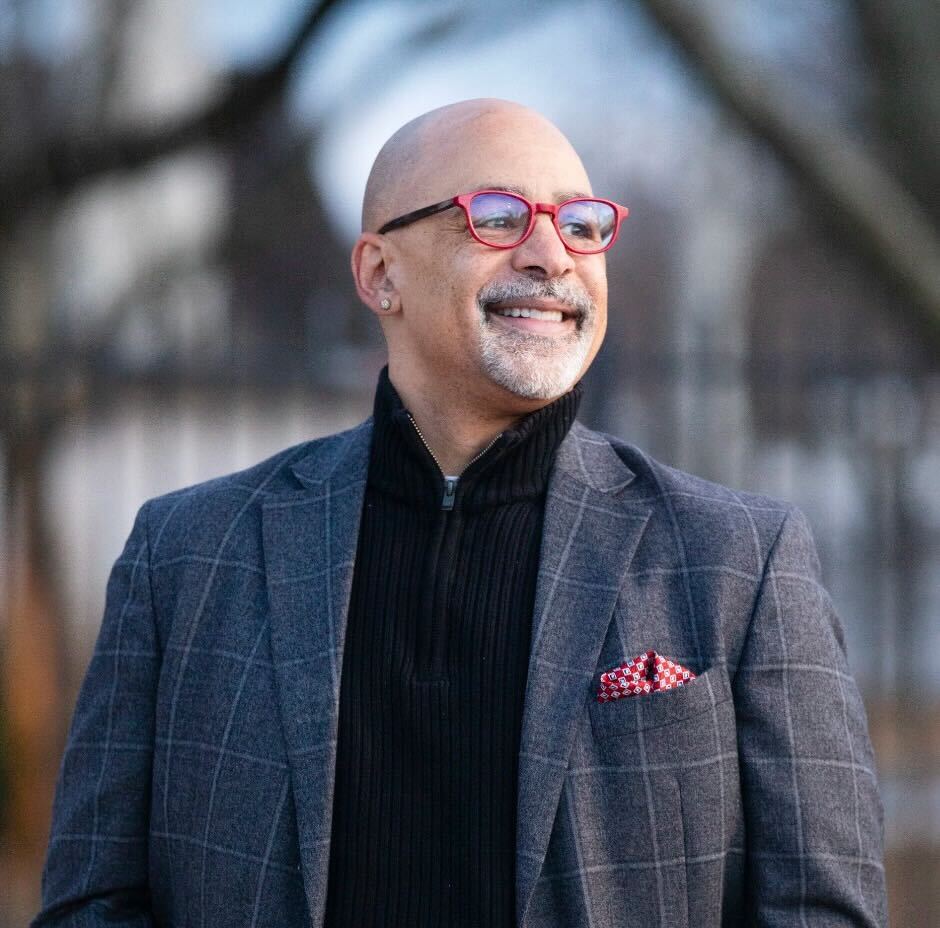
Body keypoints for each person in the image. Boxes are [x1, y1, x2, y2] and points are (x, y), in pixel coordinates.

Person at [33, 98, 887, 927]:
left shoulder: (742, 558)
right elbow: (91, 901)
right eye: (500, 216)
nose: (553, 255)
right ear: (379, 273)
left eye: (582, 223)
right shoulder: (184, 556)